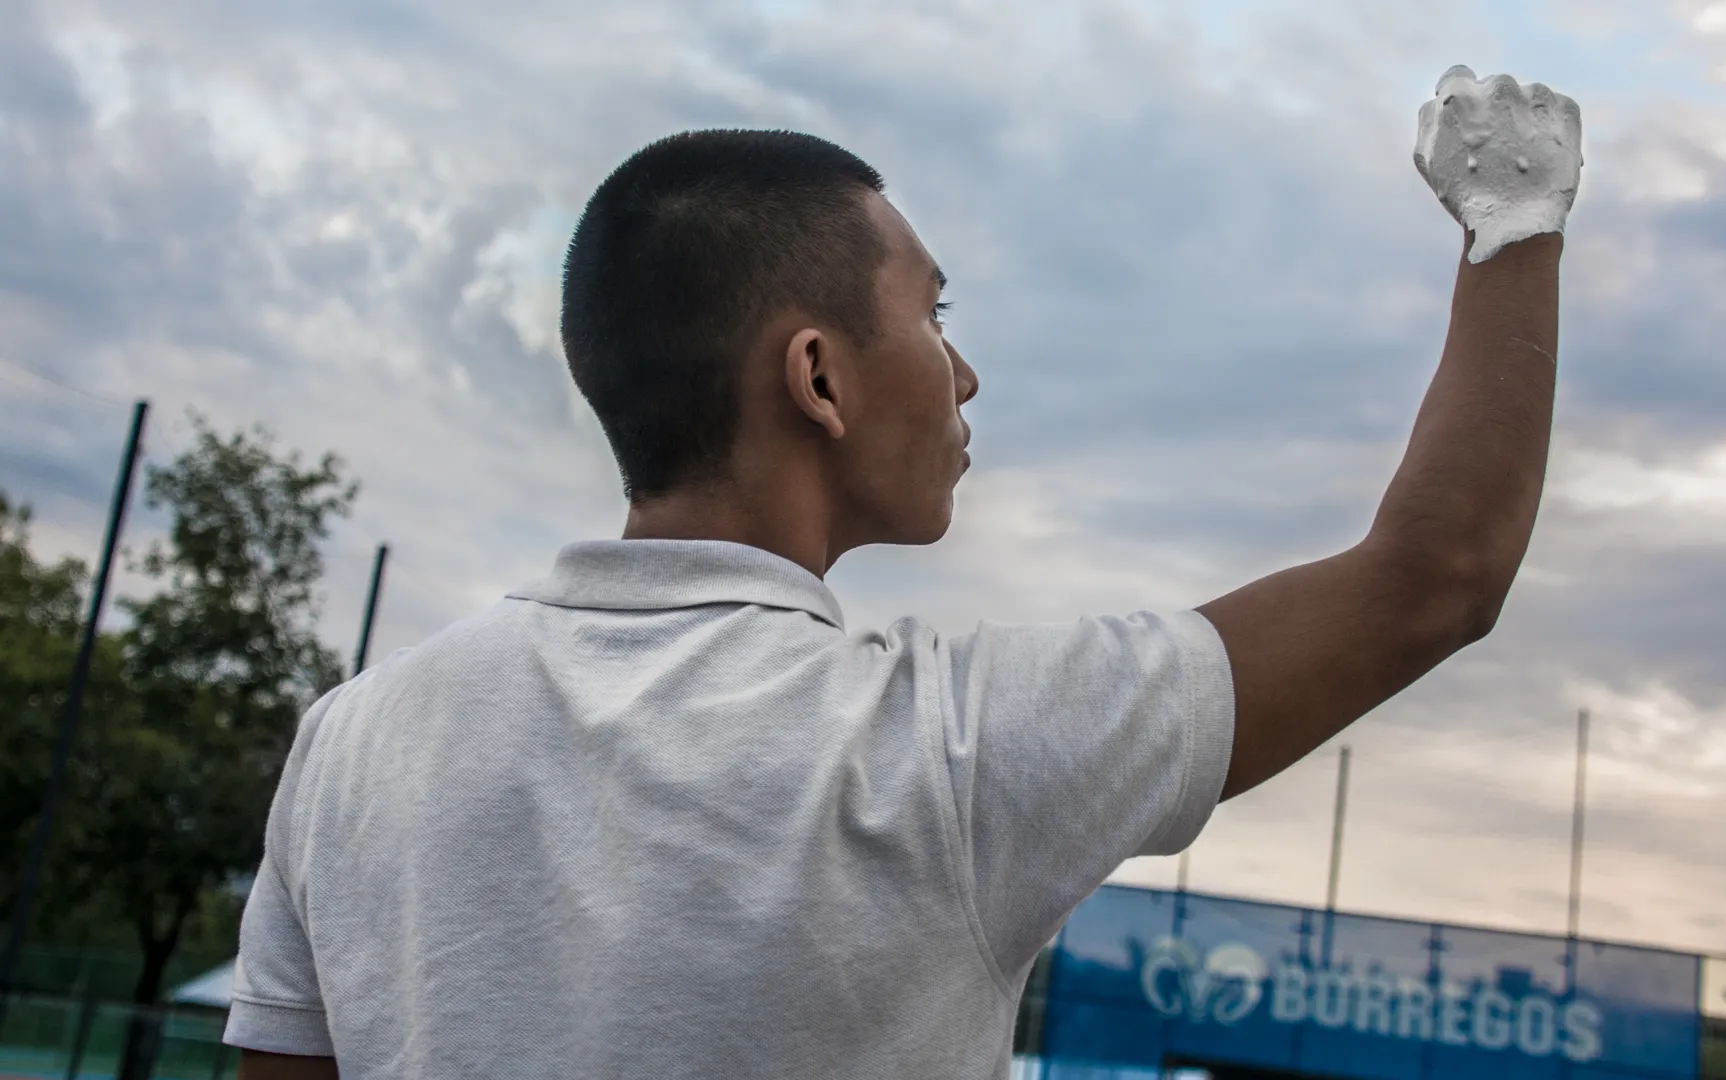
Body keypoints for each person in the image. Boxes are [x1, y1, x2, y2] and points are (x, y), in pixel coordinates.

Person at [226, 67, 1582, 1079]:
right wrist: (1513, 227)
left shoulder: (353, 743)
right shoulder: (947, 750)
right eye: (935, 313)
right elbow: (1436, 576)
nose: (963, 367)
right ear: (817, 376)